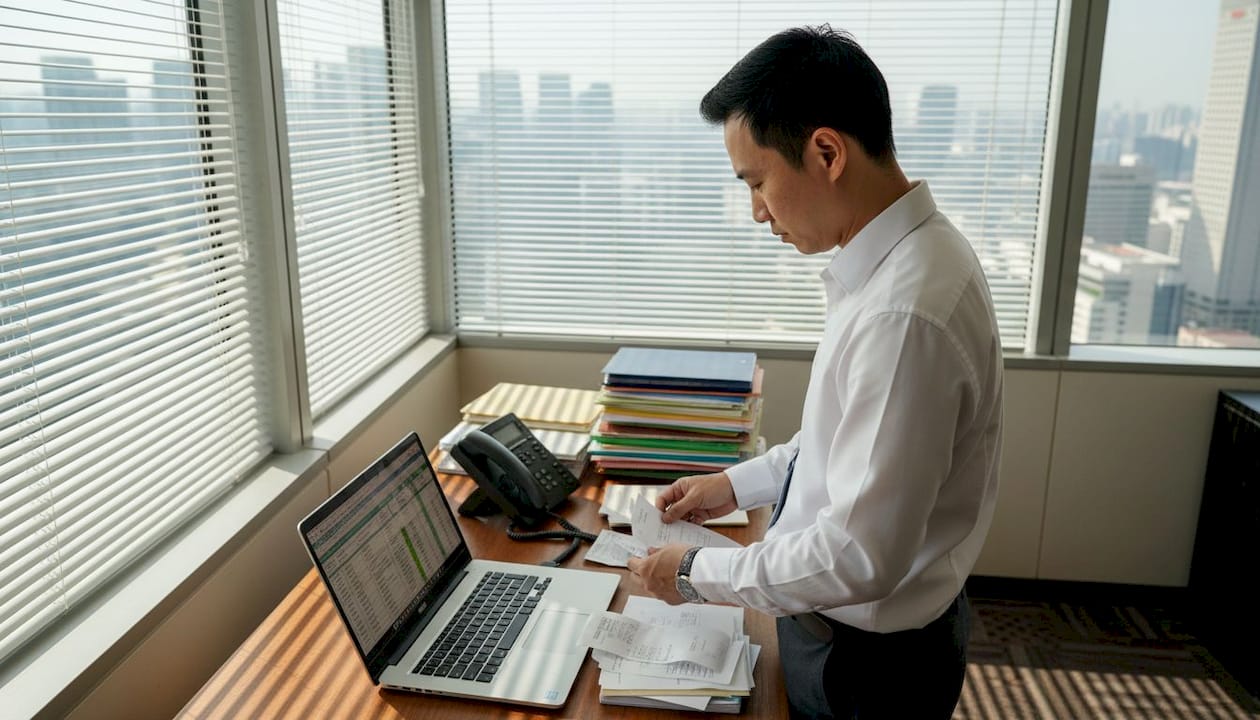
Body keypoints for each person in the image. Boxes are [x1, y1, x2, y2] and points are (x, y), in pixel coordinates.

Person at [625, 25, 1004, 719]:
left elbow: (859, 555)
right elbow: (837, 445)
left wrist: (692, 572)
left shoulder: (905, 314)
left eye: (759, 181)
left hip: (866, 666)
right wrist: (731, 484)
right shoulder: (899, 264)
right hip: (852, 634)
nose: (757, 212)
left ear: (826, 152)